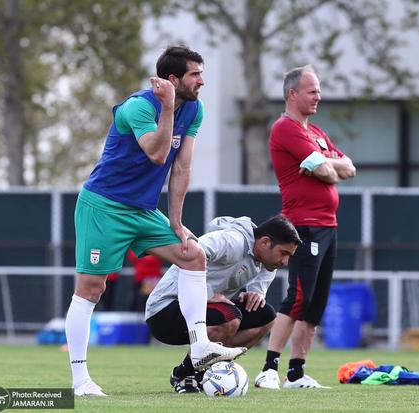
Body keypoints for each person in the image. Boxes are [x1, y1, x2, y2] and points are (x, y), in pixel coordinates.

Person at [65, 45, 245, 397]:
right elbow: (158, 153)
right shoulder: (138, 107)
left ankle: (200, 346)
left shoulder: (194, 108)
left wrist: (177, 222)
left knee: (194, 255)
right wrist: (165, 107)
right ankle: (80, 381)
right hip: (104, 206)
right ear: (173, 79)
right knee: (91, 289)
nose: (202, 81)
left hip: (144, 210)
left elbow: (181, 166)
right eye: (195, 75)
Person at [255, 65, 356, 390]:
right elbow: (327, 171)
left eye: (319, 91)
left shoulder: (317, 133)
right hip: (304, 226)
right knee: (298, 297)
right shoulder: (286, 129)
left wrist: (328, 165)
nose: (318, 97)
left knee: (316, 302)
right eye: (312, 91)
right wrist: (327, 167)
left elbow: (346, 168)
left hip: (329, 226)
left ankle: (296, 372)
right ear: (292, 94)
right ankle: (270, 367)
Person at [145, 215, 302, 393]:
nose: (285, 262)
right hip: (164, 310)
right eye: (284, 253)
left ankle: (206, 374)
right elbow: (188, 253)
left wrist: (256, 294)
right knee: (230, 317)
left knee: (265, 316)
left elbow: (260, 284)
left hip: (197, 311)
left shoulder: (267, 263)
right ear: (265, 242)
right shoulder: (232, 240)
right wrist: (205, 293)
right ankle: (184, 375)